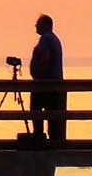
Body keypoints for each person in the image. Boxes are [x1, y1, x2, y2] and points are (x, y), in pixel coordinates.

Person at [28, 14, 65, 144]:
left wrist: (38, 76)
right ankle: (53, 140)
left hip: (46, 85)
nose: (36, 26)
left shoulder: (46, 39)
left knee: (35, 110)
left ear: (46, 25)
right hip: (54, 85)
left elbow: (44, 57)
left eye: (38, 23)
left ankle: (38, 137)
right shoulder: (53, 39)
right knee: (52, 115)